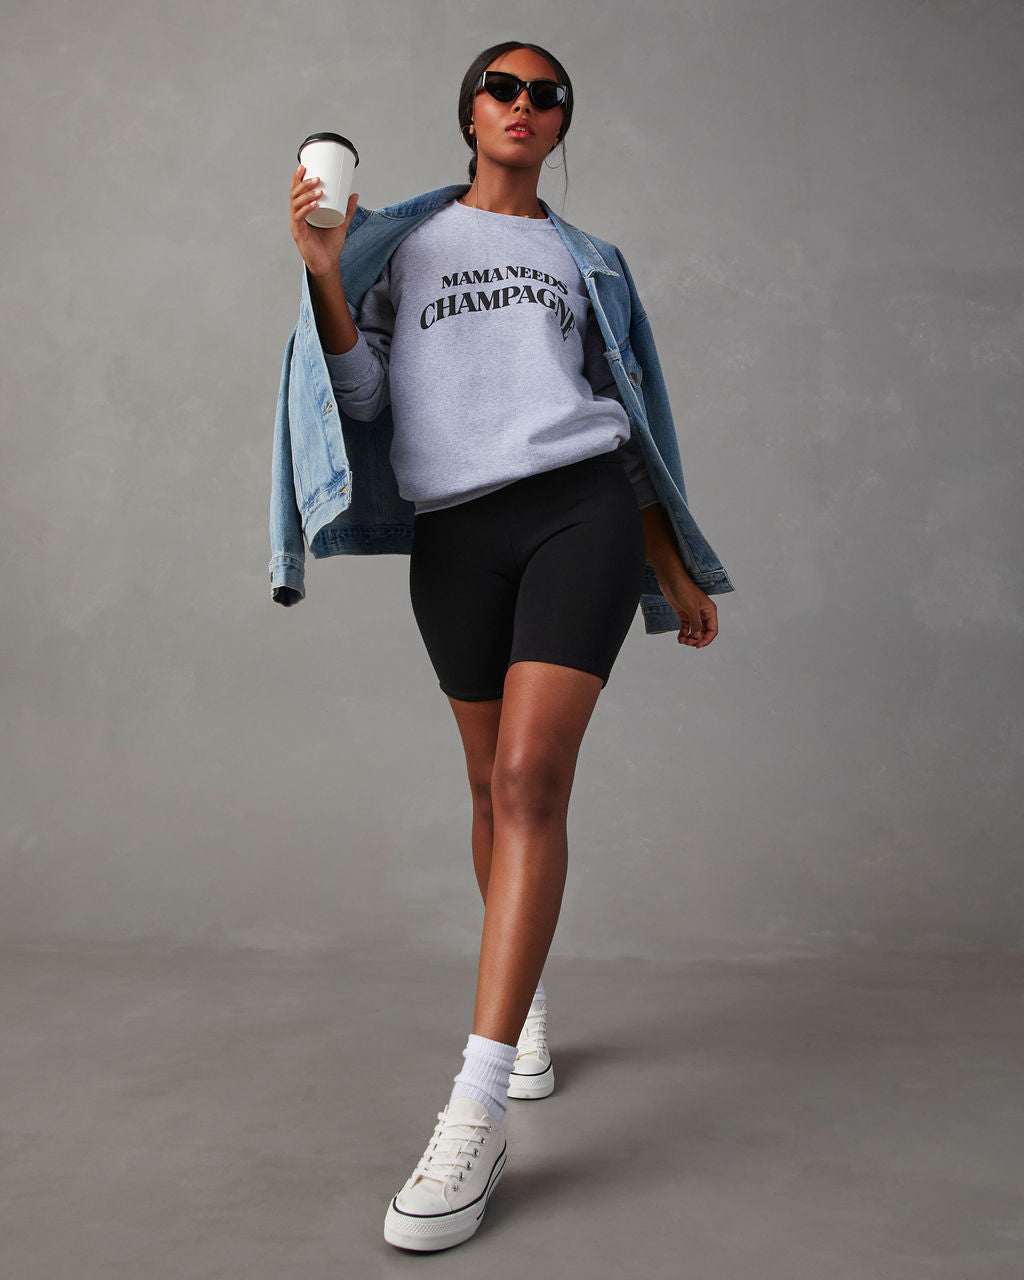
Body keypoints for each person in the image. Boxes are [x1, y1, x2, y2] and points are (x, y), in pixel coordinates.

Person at [281, 41, 732, 1252]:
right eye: (504, 89)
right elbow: (362, 398)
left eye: (547, 95)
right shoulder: (403, 244)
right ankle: (520, 994)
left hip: (580, 509)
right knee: (487, 785)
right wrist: (325, 271)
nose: (524, 106)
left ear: (559, 122)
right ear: (468, 113)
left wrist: (668, 559)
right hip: (454, 533)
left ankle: (472, 1106)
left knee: (533, 778)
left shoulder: (589, 261)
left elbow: (627, 420)